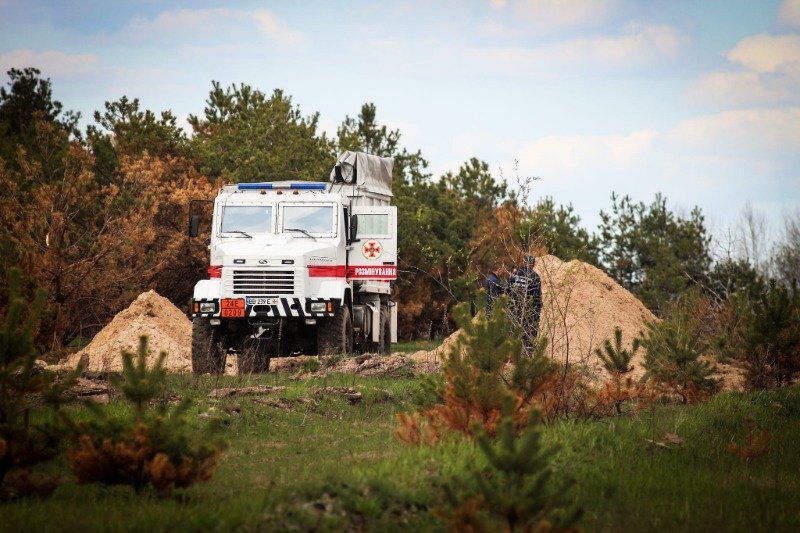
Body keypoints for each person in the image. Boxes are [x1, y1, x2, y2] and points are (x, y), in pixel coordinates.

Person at [506, 255, 542, 353]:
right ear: (533, 264)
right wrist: (537, 311)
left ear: (524, 262)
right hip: (528, 310)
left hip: (514, 308)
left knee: (513, 330)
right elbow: (537, 297)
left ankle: (511, 353)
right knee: (528, 333)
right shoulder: (535, 277)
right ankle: (528, 354)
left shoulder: (514, 274)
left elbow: (507, 290)